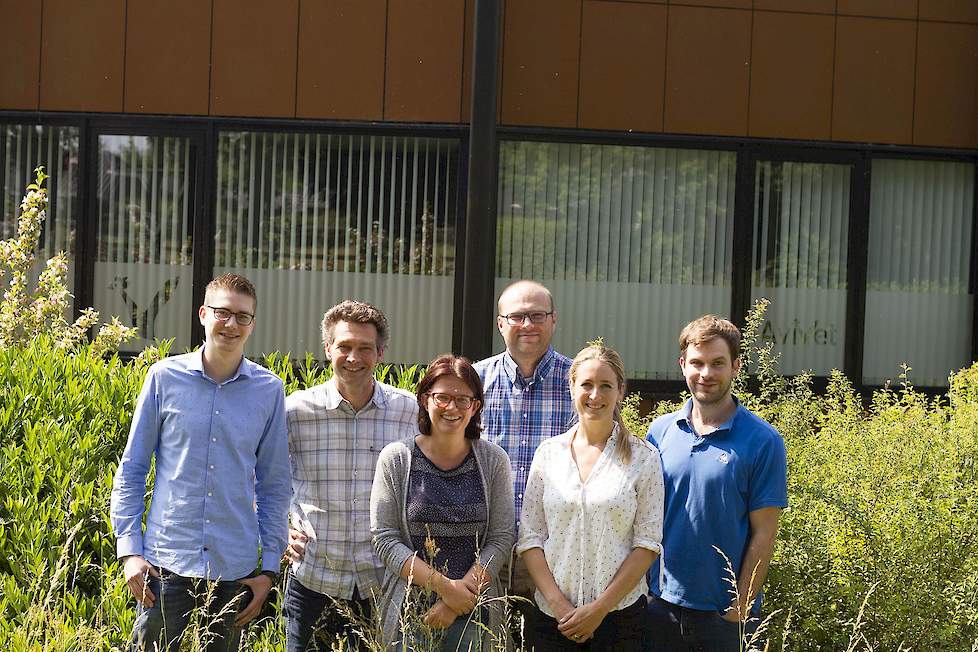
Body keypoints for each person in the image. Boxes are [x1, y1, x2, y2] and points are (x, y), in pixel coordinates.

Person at [110, 273, 291, 652]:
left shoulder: (269, 390)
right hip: (165, 565)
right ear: (203, 314)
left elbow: (275, 484)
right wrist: (129, 552)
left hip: (234, 570)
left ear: (252, 323)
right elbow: (133, 468)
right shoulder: (163, 377)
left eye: (243, 316)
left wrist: (269, 570)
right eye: (223, 313)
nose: (231, 324)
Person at [645, 315, 788, 652]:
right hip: (661, 606)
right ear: (683, 365)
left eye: (717, 363)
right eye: (697, 363)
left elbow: (765, 533)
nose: (705, 374)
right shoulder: (660, 432)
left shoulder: (763, 441)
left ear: (736, 366)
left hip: (724, 618)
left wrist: (740, 609)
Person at [283, 300, 418, 652]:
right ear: (328, 349)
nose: (354, 357)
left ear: (381, 353)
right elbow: (259, 478)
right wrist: (279, 527)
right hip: (314, 580)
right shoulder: (295, 411)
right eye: (344, 346)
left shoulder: (409, 411)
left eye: (365, 348)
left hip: (384, 584)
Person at [518, 344, 664, 651]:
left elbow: (648, 544)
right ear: (571, 387)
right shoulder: (548, 454)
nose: (595, 395)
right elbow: (530, 537)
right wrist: (559, 607)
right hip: (552, 620)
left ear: (620, 391)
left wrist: (599, 609)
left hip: (619, 620)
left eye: (605, 385)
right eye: (586, 384)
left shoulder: (644, 458)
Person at [371, 355, 515, 651]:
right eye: (442, 397)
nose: (452, 407)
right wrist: (446, 589)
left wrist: (456, 602)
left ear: (475, 406)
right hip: (410, 614)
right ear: (424, 400)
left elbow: (501, 538)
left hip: (477, 611)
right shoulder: (396, 458)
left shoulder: (493, 460)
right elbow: (385, 540)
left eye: (463, 399)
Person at [473, 279, 576, 597]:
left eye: (538, 315)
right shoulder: (473, 382)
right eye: (517, 316)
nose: (528, 324)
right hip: (484, 550)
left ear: (554, 319)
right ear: (500, 324)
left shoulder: (580, 384)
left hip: (555, 551)